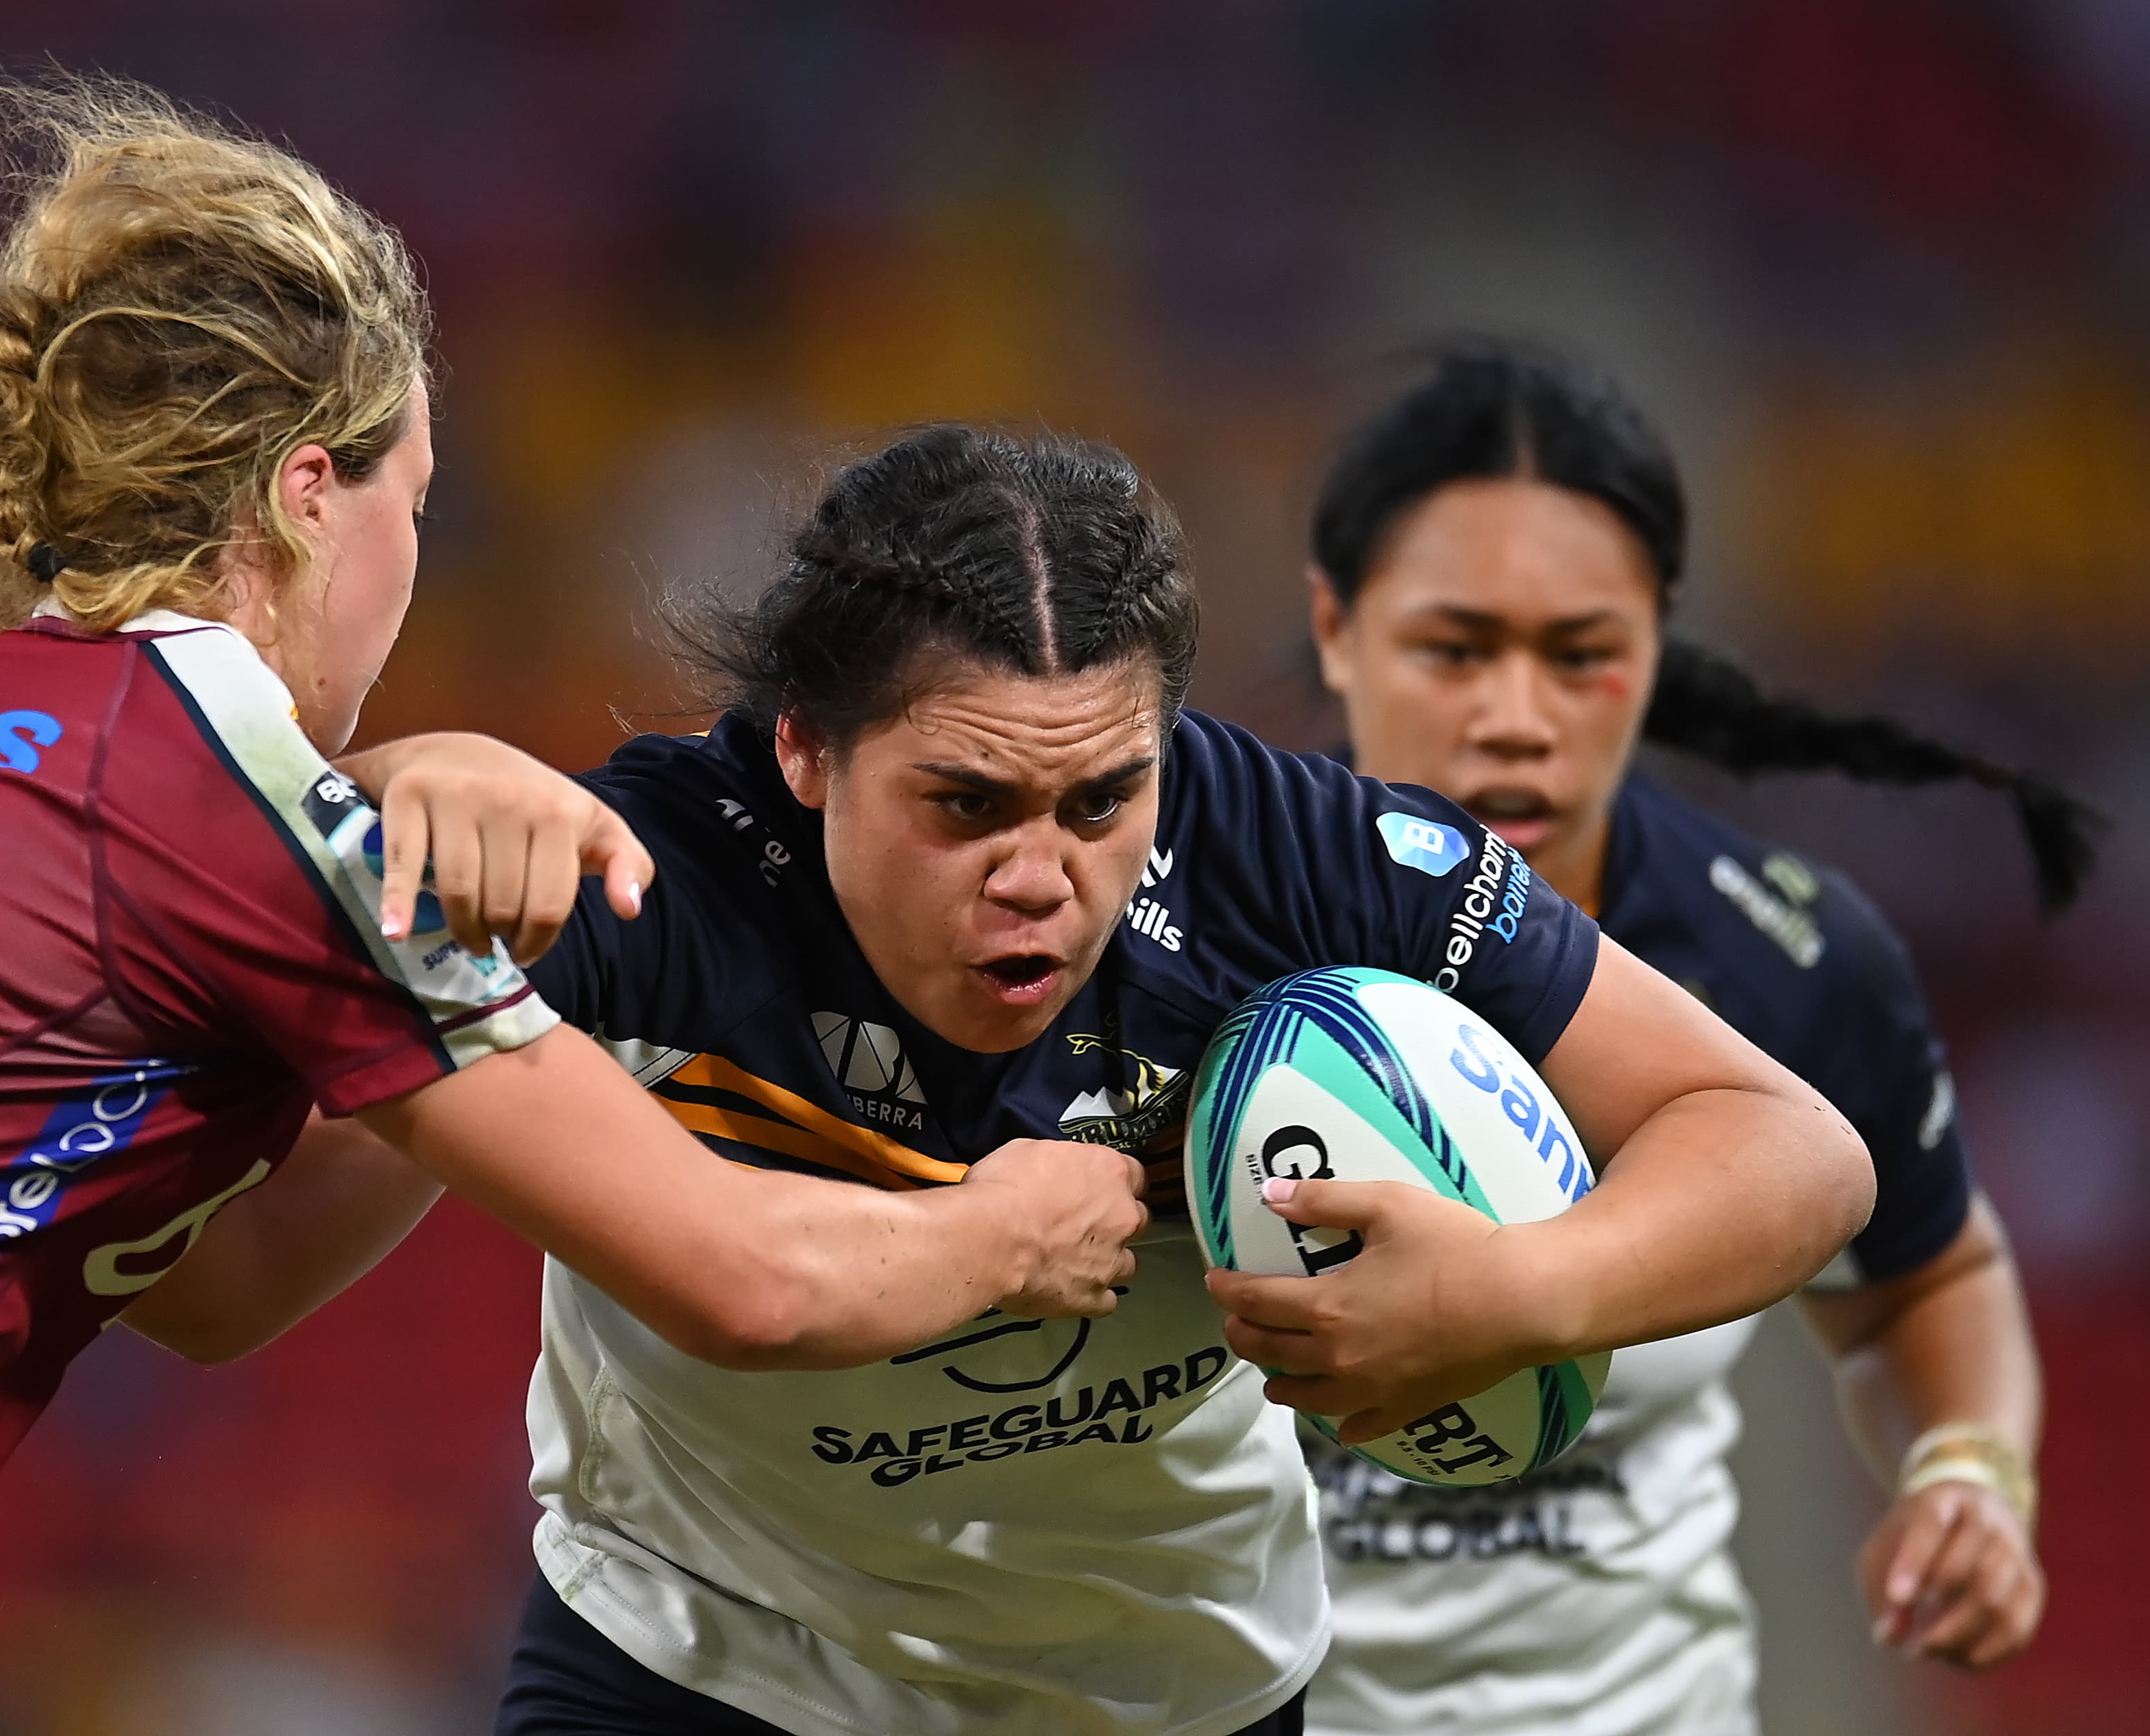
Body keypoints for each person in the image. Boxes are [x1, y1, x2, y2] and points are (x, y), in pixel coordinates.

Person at [0, 86, 1151, 1735]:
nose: (420, 552)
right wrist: (1011, 1231)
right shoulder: (235, 797)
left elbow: (208, 1283)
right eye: (418, 493)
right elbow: (745, 1279)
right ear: (306, 492)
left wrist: (494, 957)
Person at [162, 421, 1877, 1735]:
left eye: (1102, 799)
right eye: (965, 805)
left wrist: (1523, 1284)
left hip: (1166, 1687)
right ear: (804, 750)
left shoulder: (1294, 853)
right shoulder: (650, 870)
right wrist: (374, 816)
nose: (1044, 873)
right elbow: (230, 1281)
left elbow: (1790, 1148)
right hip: (700, 1652)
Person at [1296, 343, 2080, 1735]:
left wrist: (1966, 1468)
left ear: (1657, 646)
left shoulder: (1785, 959)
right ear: (1333, 628)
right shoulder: (1174, 933)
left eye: (1582, 655)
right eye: (1452, 647)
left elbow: (1921, 1274)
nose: (1515, 718)